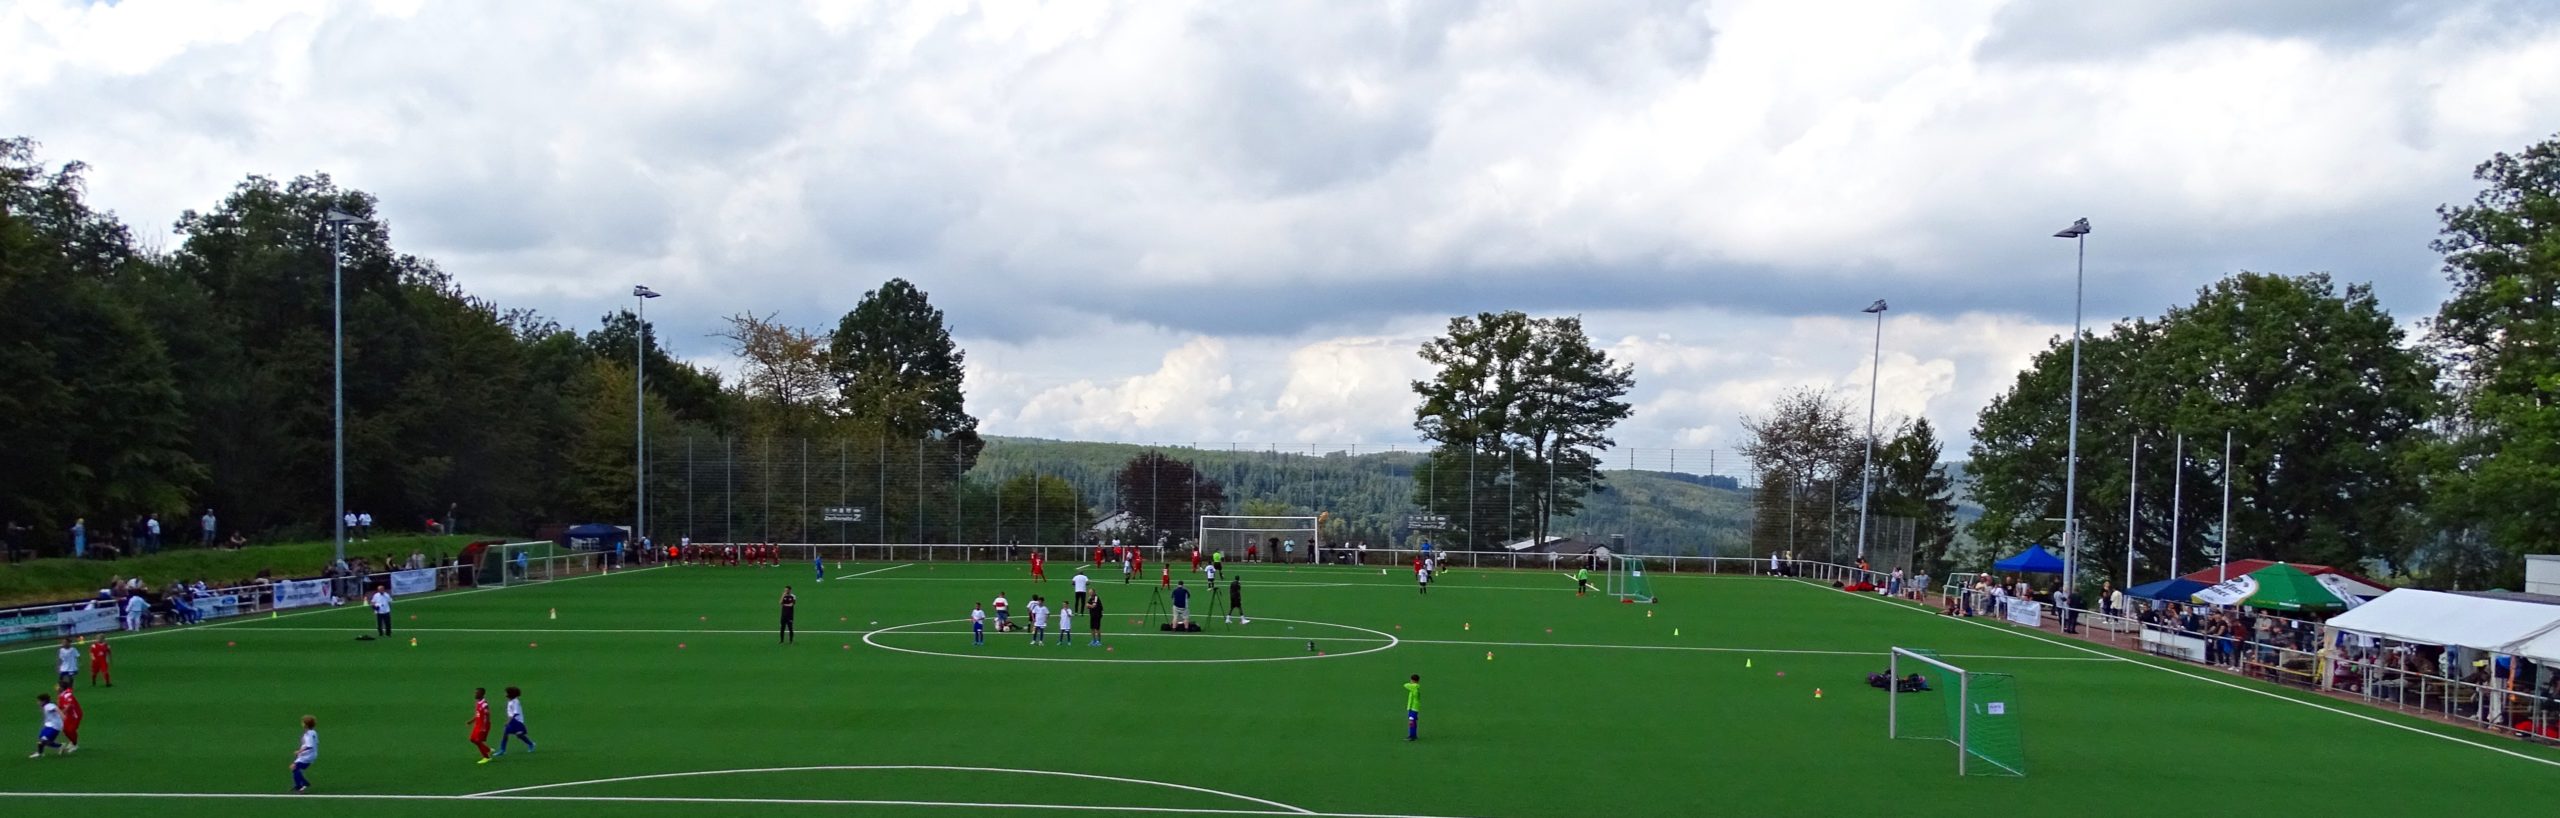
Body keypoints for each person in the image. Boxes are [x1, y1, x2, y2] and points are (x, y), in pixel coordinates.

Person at [494, 687, 535, 756]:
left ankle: (531, 744)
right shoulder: (510, 701)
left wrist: (508, 721)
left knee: (519, 735)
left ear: (510, 694)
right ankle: (502, 750)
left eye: (506, 693)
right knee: (505, 734)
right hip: (513, 721)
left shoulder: (515, 702)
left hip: (517, 721)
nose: (505, 694)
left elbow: (515, 713)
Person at [290, 715, 318, 792]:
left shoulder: (308, 734)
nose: (301, 723)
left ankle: (301, 786)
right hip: (308, 755)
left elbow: (310, 746)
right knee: (294, 768)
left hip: (307, 755)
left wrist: (299, 751)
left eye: (303, 722)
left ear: (306, 724)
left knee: (294, 768)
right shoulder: (313, 732)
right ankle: (303, 783)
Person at [34, 694, 64, 758]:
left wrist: (62, 715)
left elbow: (56, 709)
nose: (38, 703)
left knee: (43, 740)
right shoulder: (46, 706)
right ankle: (40, 753)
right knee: (42, 740)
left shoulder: (48, 706)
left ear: (43, 701)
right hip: (49, 725)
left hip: (54, 726)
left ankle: (60, 746)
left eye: (39, 701)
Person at [54, 680, 80, 754]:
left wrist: (61, 713)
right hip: (68, 715)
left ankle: (75, 744)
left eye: (57, 686)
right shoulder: (61, 694)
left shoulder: (67, 694)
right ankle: (73, 742)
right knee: (65, 730)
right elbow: (60, 705)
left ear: (61, 688)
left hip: (75, 715)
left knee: (70, 730)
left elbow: (69, 705)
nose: (56, 687)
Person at [469, 688, 494, 763]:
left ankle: (486, 757)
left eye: (477, 693)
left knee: (478, 740)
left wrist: (483, 727)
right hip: (477, 725)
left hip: (483, 726)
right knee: (472, 739)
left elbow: (487, 716)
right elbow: (478, 715)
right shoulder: (478, 702)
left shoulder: (484, 704)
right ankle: (488, 749)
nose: (475, 694)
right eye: (475, 693)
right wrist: (471, 721)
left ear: (482, 694)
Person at [1403, 674, 1422, 742]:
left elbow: (1405, 685)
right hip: (1414, 707)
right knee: (1413, 722)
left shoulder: (1413, 686)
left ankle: (1412, 736)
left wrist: (1411, 683)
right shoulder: (1416, 687)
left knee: (1411, 722)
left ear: (1412, 680)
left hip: (1413, 708)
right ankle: (1414, 735)